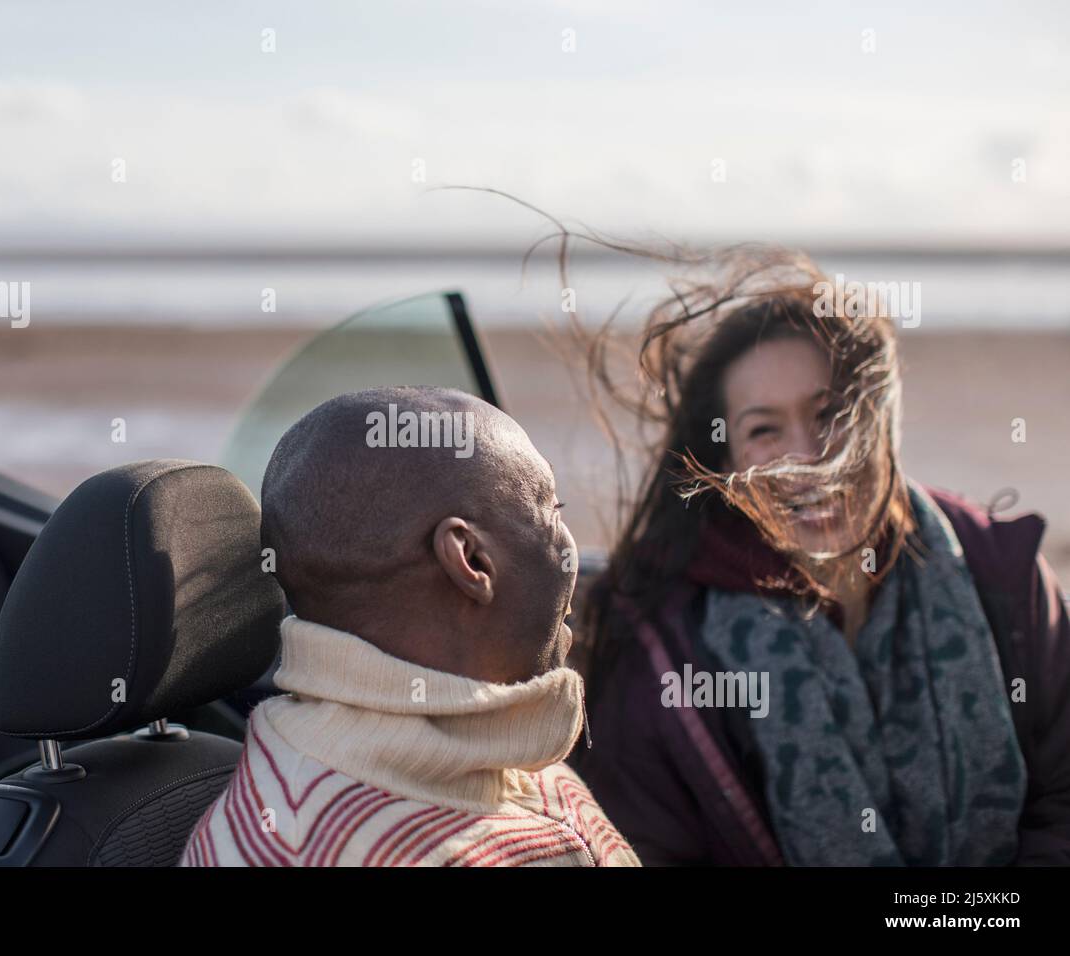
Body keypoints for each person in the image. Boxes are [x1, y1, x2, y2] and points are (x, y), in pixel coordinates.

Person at [574, 246, 1070, 866]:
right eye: (764, 430)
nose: (806, 459)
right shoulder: (662, 644)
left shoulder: (1002, 572)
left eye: (830, 414)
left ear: (879, 425)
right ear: (726, 464)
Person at [181, 386, 638, 867]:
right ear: (471, 560)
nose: (569, 549)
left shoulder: (510, 746)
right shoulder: (322, 848)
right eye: (552, 511)